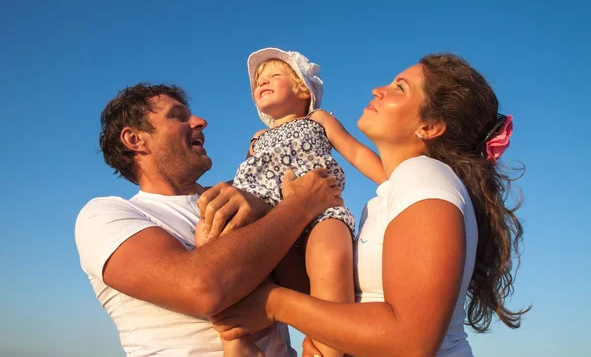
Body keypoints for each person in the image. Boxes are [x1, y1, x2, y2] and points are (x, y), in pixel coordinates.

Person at [211, 53, 530, 357]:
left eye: (399, 88)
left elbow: (410, 342)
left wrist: (275, 304)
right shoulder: (394, 193)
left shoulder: (423, 174)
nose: (378, 89)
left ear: (430, 127)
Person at [74, 83, 343, 356]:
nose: (201, 122)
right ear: (135, 139)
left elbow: (308, 289)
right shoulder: (106, 216)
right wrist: (300, 205)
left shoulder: (243, 199)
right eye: (177, 116)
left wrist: (266, 207)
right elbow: (201, 288)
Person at [209, 48, 385, 357]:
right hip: (267, 221)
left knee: (331, 256)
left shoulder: (318, 120)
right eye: (259, 81)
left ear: (303, 88)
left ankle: (328, 347)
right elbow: (246, 182)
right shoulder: (257, 137)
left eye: (275, 75)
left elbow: (356, 152)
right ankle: (236, 340)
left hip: (319, 208)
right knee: (215, 241)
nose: (262, 82)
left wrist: (393, 179)